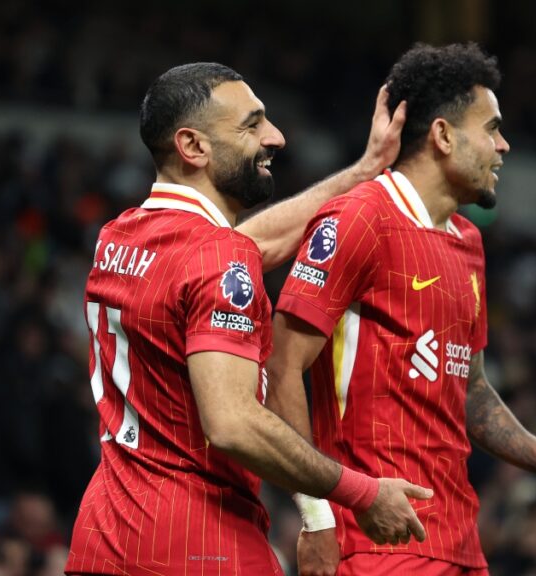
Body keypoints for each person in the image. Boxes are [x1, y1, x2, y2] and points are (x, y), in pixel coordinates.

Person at [64, 62, 433, 576]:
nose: (276, 137)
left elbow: (244, 250)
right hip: (197, 542)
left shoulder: (120, 235)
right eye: (251, 125)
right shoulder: (216, 257)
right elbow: (233, 423)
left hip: (104, 537)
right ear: (192, 147)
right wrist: (361, 493)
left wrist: (363, 170)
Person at [266, 43, 536, 576]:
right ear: (443, 135)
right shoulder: (360, 219)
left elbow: (471, 391)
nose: (504, 146)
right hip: (375, 542)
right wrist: (317, 516)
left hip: (459, 543)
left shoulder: (467, 241)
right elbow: (282, 365)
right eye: (491, 128)